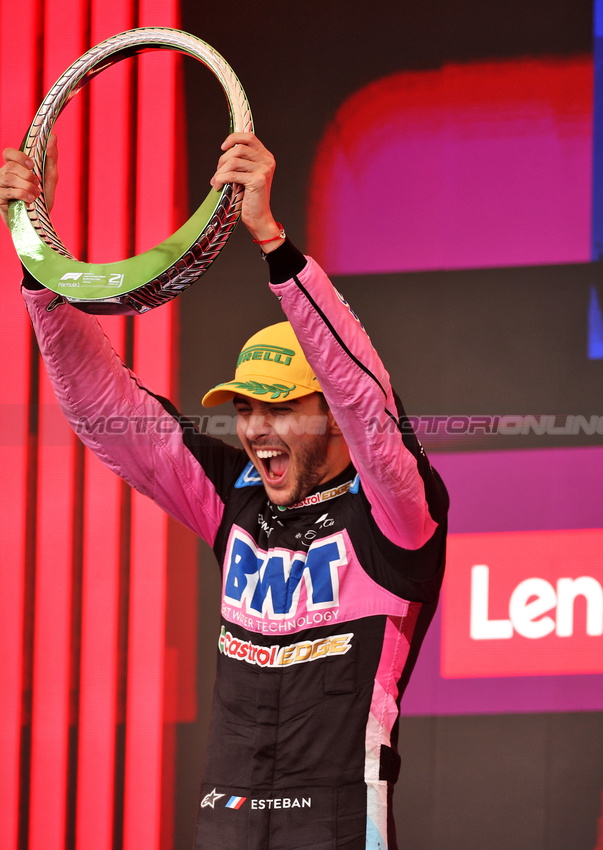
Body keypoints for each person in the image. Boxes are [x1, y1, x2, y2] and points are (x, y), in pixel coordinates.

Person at [1, 133, 447, 849]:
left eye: (279, 407)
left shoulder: (395, 512)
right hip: (225, 824)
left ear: (327, 411)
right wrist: (37, 255)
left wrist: (273, 242)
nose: (256, 429)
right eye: (245, 407)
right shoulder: (232, 494)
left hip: (336, 822)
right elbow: (101, 411)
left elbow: (368, 402)